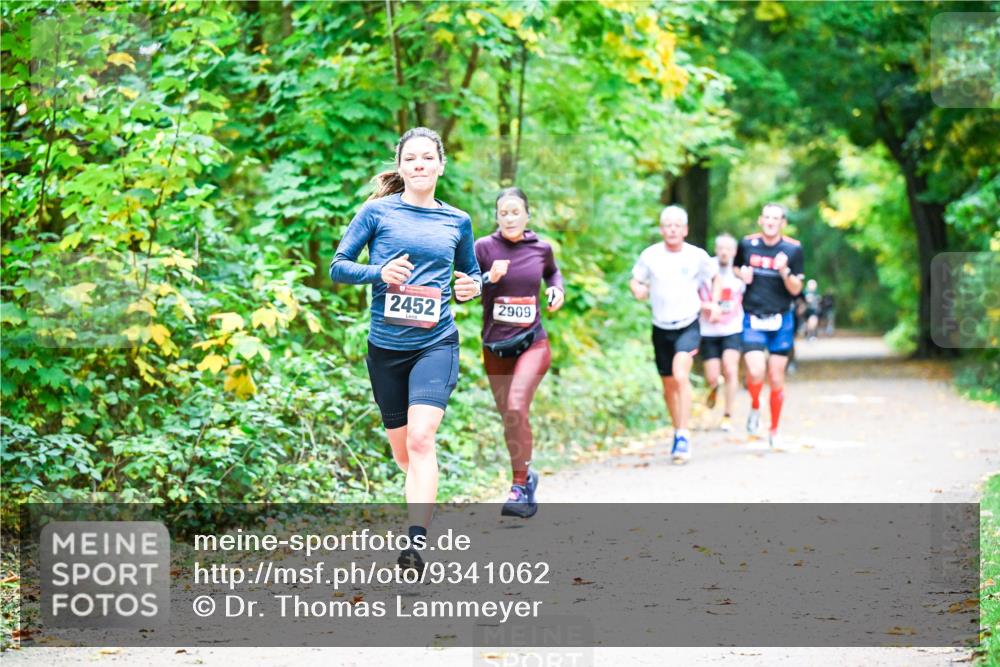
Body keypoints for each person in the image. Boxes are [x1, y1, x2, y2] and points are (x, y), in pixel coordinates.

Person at [329, 127, 482, 572]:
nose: (419, 165)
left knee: (421, 438)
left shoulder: (457, 221)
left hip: (436, 342)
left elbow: (471, 275)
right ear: (400, 165)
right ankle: (421, 490)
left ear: (440, 166)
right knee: (404, 454)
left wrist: (472, 288)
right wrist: (379, 272)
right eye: (411, 158)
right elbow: (338, 267)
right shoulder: (376, 212)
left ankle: (415, 543)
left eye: (427, 157)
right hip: (386, 348)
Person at [475, 187, 564, 518]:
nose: (510, 218)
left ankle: (518, 486)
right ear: (496, 217)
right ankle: (526, 477)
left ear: (527, 215)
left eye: (515, 212)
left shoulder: (541, 248)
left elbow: (552, 272)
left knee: (515, 405)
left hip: (533, 342)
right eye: (503, 213)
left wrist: (556, 289)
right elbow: (462, 291)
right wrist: (489, 277)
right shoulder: (483, 248)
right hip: (495, 347)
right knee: (509, 417)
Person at [631, 205, 721, 464]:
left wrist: (714, 303)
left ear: (685, 230)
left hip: (688, 323)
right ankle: (677, 429)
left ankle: (683, 434)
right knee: (669, 385)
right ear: (661, 230)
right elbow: (636, 279)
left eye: (677, 226)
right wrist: (638, 289)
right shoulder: (650, 255)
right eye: (667, 225)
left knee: (681, 375)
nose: (672, 230)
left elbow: (716, 277)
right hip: (661, 326)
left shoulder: (696, 256)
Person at [735, 203, 805, 449]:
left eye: (776, 218)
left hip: (781, 320)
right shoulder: (747, 244)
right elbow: (735, 268)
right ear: (760, 220)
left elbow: (796, 289)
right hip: (753, 317)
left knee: (776, 377)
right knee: (755, 372)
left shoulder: (793, 249)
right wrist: (741, 275)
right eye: (767, 217)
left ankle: (774, 429)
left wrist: (784, 270)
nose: (771, 222)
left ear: (783, 223)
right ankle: (755, 405)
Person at [698, 233, 745, 433]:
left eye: (728, 248)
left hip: (732, 328)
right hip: (708, 329)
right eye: (721, 248)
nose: (724, 252)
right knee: (712, 377)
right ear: (716, 250)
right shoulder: (705, 268)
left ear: (734, 251)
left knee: (730, 368)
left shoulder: (740, 272)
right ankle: (714, 388)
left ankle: (727, 414)